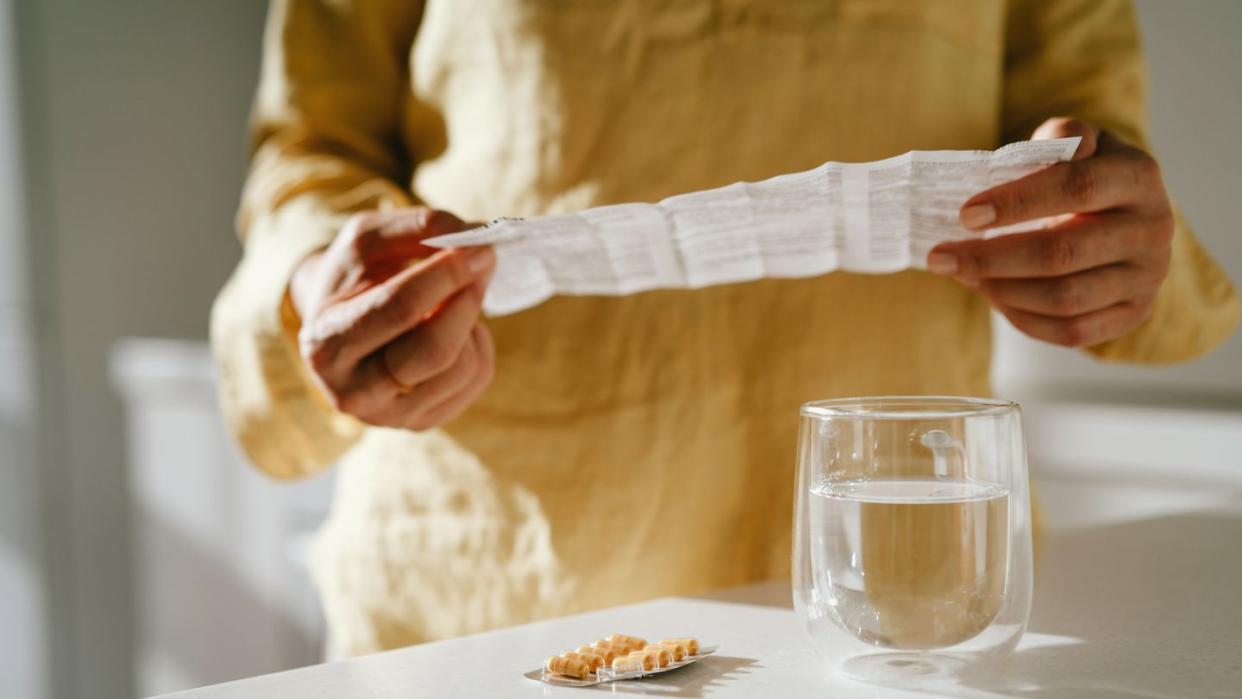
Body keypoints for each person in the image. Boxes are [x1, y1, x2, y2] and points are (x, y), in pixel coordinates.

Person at [212, 0, 1237, 658]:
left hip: (903, 611)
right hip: (495, 604)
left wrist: (1115, 239)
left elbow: (1102, 162)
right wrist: (323, 281)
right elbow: (308, 148)